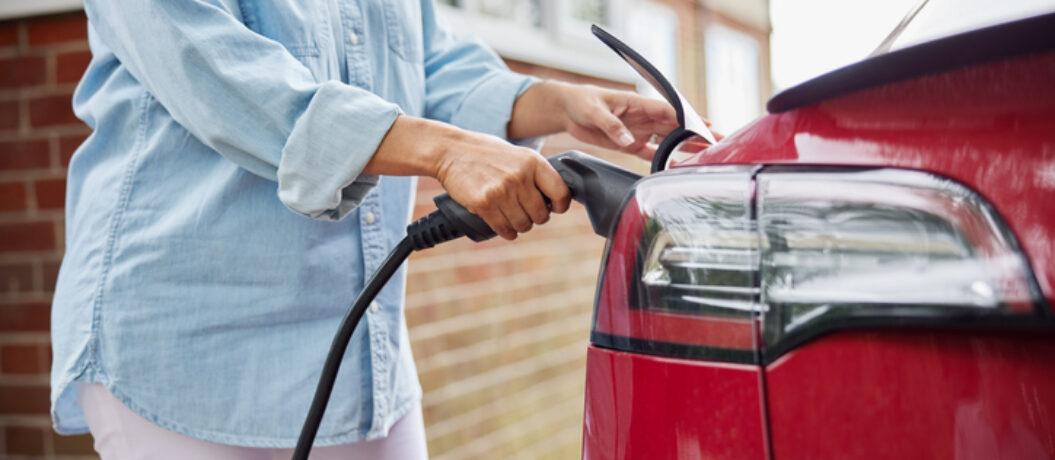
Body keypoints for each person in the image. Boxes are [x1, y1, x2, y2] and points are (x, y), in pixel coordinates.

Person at [50, 0, 677, 458]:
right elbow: (215, 70)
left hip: (358, 350)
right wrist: (444, 151)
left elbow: (424, 58)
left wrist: (556, 102)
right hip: (192, 343)